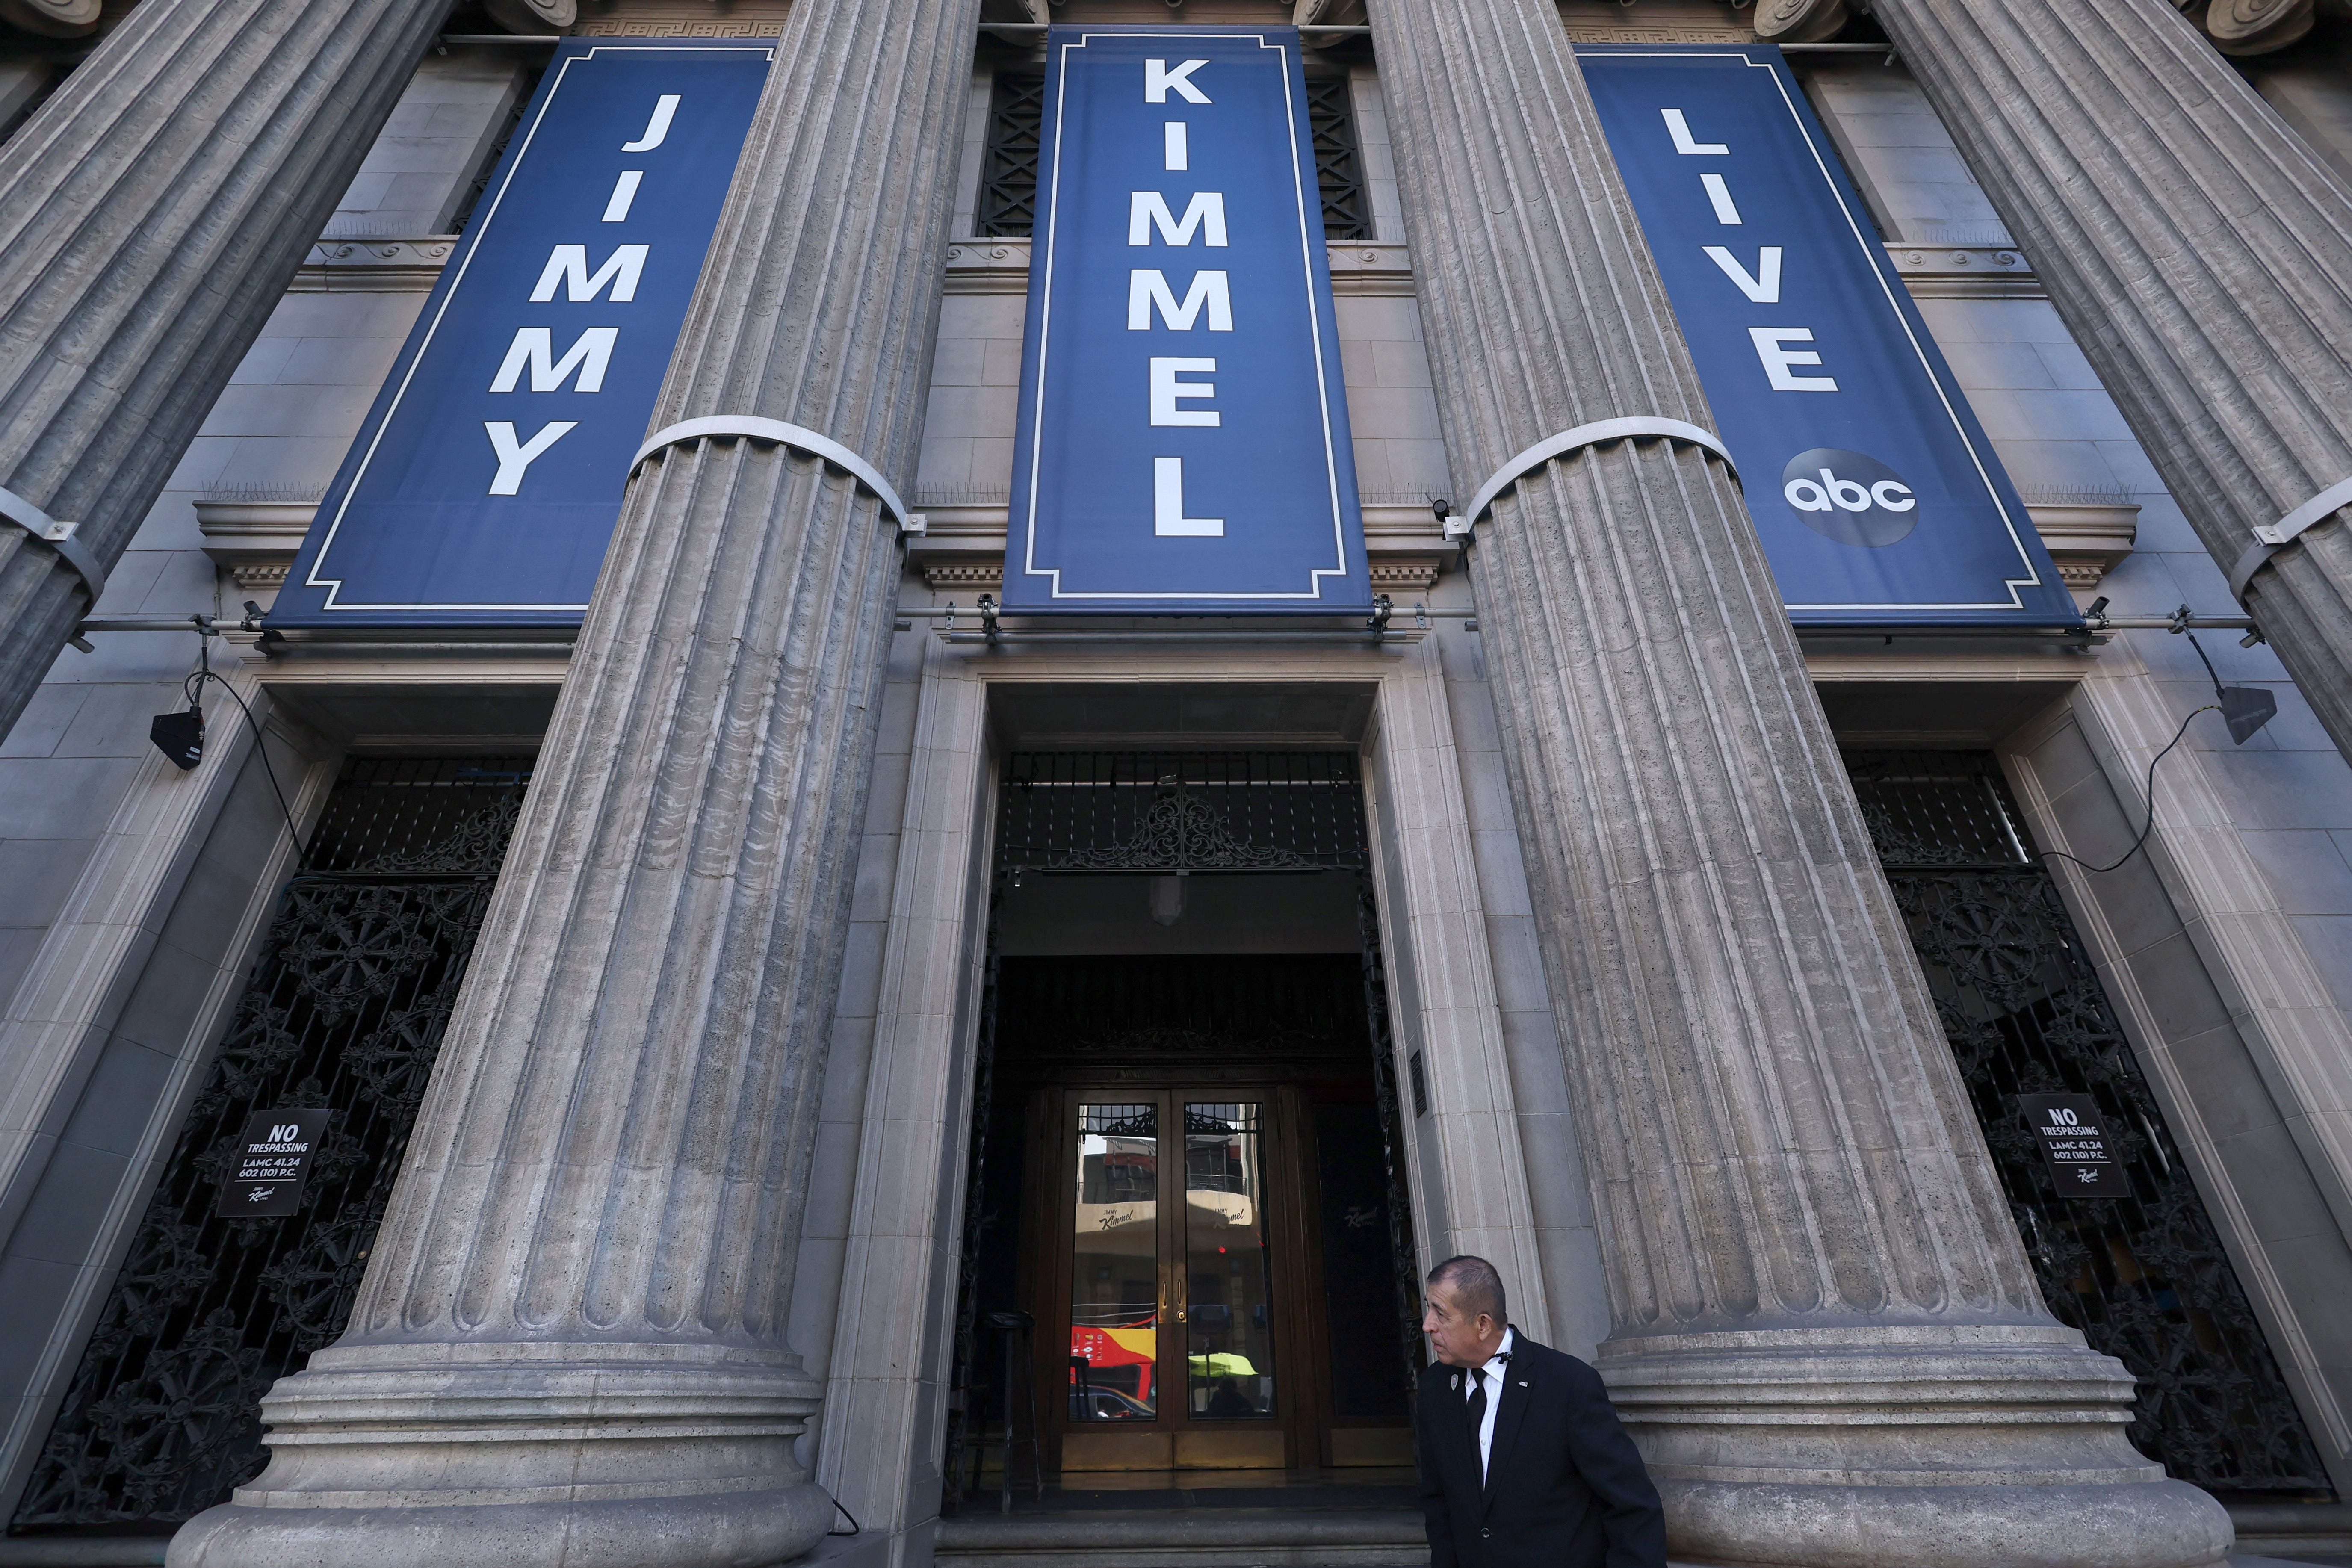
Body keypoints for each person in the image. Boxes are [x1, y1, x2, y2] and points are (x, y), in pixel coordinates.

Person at [1414, 1255, 1665, 1568]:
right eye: (1428, 1308)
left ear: (1482, 1324)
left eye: (1440, 1313)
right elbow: (1438, 1501)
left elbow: (1632, 1505)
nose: (1427, 1325)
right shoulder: (1434, 1388)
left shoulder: (1568, 1384)